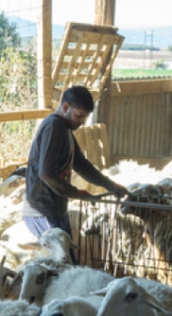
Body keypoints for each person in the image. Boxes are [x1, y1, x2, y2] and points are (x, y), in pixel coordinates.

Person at [23, 85, 127, 244]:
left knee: (69, 262)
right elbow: (46, 173)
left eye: (85, 117)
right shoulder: (53, 126)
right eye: (79, 116)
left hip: (56, 208)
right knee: (62, 264)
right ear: (65, 107)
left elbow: (81, 164)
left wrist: (110, 185)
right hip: (42, 209)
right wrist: (75, 192)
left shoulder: (65, 130)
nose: (82, 122)